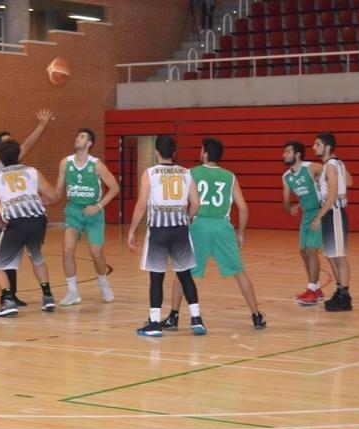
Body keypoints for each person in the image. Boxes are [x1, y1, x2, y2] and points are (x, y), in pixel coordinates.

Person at [163, 137, 266, 331]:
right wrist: (241, 232)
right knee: (239, 272)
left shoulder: (190, 173)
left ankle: (174, 317)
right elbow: (243, 208)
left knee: (183, 273)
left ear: (206, 154)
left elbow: (181, 200)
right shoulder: (230, 176)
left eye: (201, 150)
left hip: (199, 226)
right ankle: (256, 315)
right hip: (222, 227)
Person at [0, 109, 54, 305]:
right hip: (4, 214)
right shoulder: (3, 164)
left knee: (5, 253)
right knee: (1, 254)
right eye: (7, 141)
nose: (12, 143)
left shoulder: (9, 163)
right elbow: (28, 144)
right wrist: (41, 125)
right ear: (0, 149)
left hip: (11, 213)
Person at [127, 135, 205, 337]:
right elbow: (196, 203)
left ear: (156, 152)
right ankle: (196, 319)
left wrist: (132, 229)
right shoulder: (186, 173)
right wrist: (185, 219)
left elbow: (142, 204)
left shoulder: (150, 173)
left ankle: (154, 323)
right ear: (174, 153)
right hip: (180, 230)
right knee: (185, 275)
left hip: (159, 231)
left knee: (156, 277)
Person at [0, 139, 57, 317]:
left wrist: (2, 226)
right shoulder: (32, 172)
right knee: (37, 257)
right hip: (38, 221)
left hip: (16, 223)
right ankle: (48, 296)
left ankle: (8, 300)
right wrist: (42, 200)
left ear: (0, 158)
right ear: (18, 154)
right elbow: (53, 195)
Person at [54, 128, 119, 306]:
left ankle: (103, 282)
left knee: (96, 253)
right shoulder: (65, 163)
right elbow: (58, 190)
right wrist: (46, 198)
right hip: (73, 211)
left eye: (81, 136)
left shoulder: (97, 165)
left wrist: (98, 206)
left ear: (89, 143)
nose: (77, 138)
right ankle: (73, 291)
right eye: (77, 136)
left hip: (94, 212)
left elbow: (114, 188)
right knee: (67, 250)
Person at [313, 132, 354, 311]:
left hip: (334, 212)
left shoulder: (330, 166)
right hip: (332, 212)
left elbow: (332, 196)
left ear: (327, 147)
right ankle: (340, 291)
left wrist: (317, 217)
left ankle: (345, 297)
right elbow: (350, 182)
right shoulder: (336, 164)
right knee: (333, 256)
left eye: (317, 144)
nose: (314, 147)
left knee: (339, 257)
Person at [281, 141, 325, 306]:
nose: (284, 155)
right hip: (306, 215)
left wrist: (324, 182)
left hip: (319, 212)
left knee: (311, 251)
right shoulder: (286, 177)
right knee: (303, 252)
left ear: (298, 154)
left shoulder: (311, 167)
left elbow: (332, 175)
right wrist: (290, 207)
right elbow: (285, 200)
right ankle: (317, 289)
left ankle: (312, 290)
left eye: (287, 151)